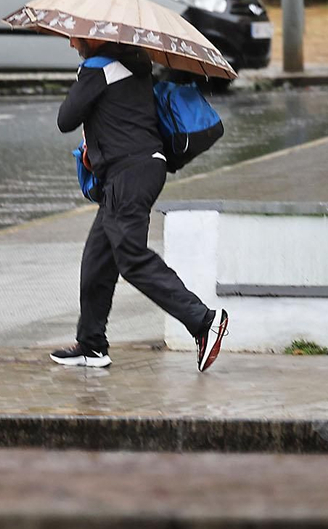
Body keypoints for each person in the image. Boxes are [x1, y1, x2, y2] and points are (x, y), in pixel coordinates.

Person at [49, 36, 227, 372]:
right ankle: (91, 345)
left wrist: (83, 80)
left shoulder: (98, 69)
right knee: (97, 260)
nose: (72, 44)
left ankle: (203, 321)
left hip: (128, 174)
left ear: (94, 38)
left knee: (130, 256)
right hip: (141, 168)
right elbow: (120, 117)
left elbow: (65, 119)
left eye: (76, 38)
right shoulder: (135, 62)